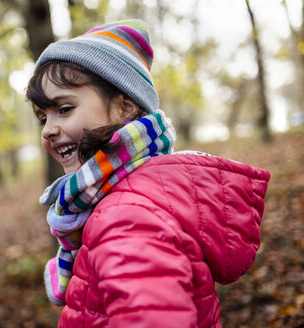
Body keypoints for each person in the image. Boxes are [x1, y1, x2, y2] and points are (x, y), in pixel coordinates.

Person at [25, 19, 270, 327]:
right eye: (41, 118)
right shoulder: (137, 189)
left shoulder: (126, 217)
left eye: (64, 109)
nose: (49, 130)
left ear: (125, 107)